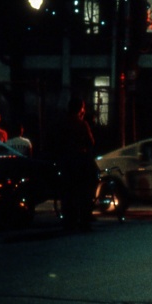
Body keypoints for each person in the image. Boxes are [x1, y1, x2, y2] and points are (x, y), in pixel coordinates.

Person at [58, 97, 98, 231]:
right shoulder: (82, 124)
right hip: (81, 162)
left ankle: (69, 221)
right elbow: (91, 142)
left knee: (68, 193)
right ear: (80, 109)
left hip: (66, 162)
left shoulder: (61, 123)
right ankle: (85, 220)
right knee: (85, 192)